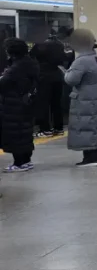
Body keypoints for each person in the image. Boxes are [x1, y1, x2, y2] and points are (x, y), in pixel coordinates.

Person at [64, 29, 97, 167]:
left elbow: (71, 80)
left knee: (86, 127)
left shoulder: (81, 61)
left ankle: (91, 158)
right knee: (96, 126)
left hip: (84, 99)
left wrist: (66, 73)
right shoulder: (95, 57)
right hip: (96, 96)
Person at [0, 39, 39, 172]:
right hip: (27, 104)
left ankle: (19, 163)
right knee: (26, 133)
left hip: (13, 106)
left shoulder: (15, 68)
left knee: (15, 134)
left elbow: (3, 84)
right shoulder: (31, 63)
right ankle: (27, 161)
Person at [30, 31, 70, 136]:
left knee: (43, 104)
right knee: (56, 104)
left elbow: (32, 56)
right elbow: (64, 58)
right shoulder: (59, 45)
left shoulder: (40, 45)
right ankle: (59, 127)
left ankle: (45, 129)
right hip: (57, 77)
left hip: (44, 77)